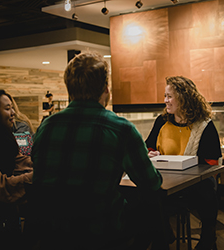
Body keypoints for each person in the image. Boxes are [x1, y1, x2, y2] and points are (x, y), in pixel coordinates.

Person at [28, 52, 164, 250]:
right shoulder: (122, 128)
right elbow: (151, 183)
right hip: (102, 233)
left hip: (50, 234)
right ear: (106, 89)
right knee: (152, 208)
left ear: (69, 88)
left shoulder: (46, 126)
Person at [146, 76, 222, 250]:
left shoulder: (204, 125)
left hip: (193, 183)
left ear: (184, 97)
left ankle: (208, 238)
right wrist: (152, 153)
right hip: (164, 180)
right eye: (165, 96)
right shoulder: (161, 121)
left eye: (169, 96)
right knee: (148, 193)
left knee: (207, 188)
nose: (165, 101)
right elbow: (147, 146)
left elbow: (211, 162)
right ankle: (162, 237)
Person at [0, 88, 33, 248]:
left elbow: (20, 162)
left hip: (9, 218)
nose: (13, 113)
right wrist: (36, 175)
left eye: (12, 108)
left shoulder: (4, 137)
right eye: (7, 108)